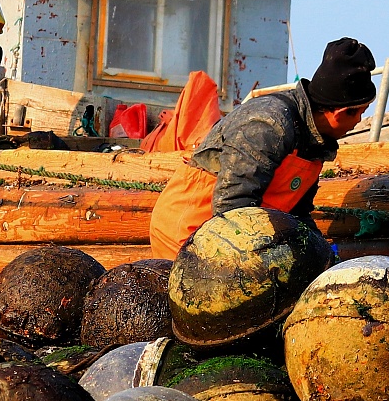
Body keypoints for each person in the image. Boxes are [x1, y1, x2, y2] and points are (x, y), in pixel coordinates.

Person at [148, 38, 377, 259]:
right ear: (340, 112)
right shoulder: (269, 124)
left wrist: (321, 256)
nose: (359, 121)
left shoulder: (315, 141)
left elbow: (297, 215)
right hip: (192, 228)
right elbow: (232, 204)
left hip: (240, 229)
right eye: (360, 113)